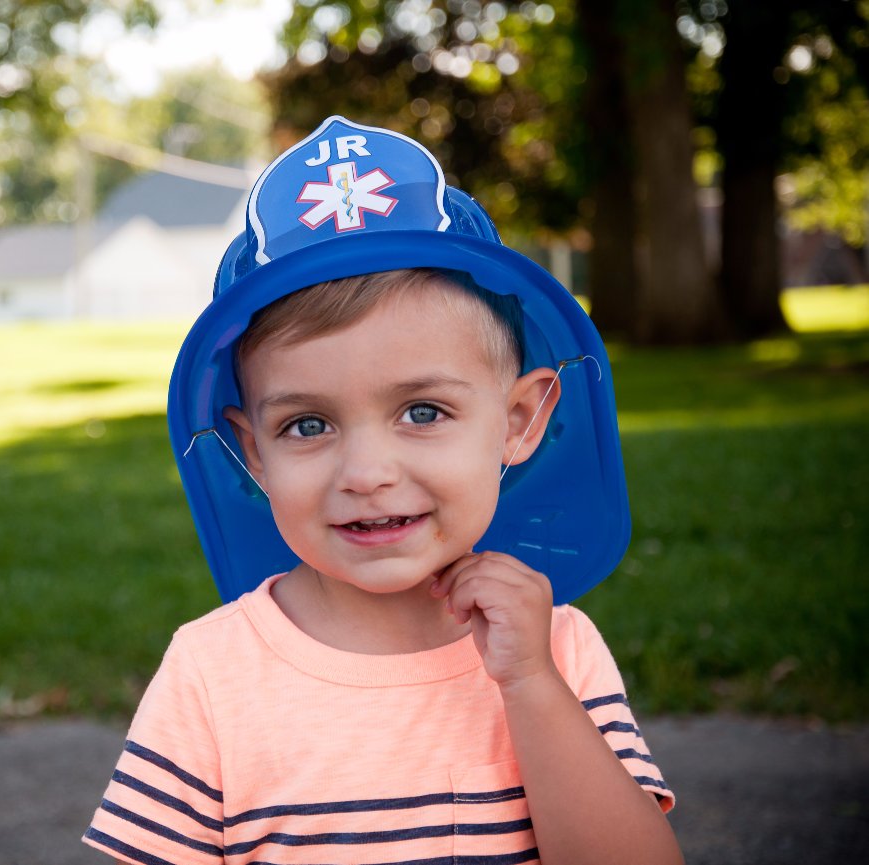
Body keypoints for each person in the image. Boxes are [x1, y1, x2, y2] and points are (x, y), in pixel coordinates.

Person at [83, 116, 682, 865]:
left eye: (422, 412)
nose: (366, 473)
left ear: (519, 420)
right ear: (252, 452)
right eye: (307, 425)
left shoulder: (556, 647)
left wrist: (529, 684)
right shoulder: (212, 671)